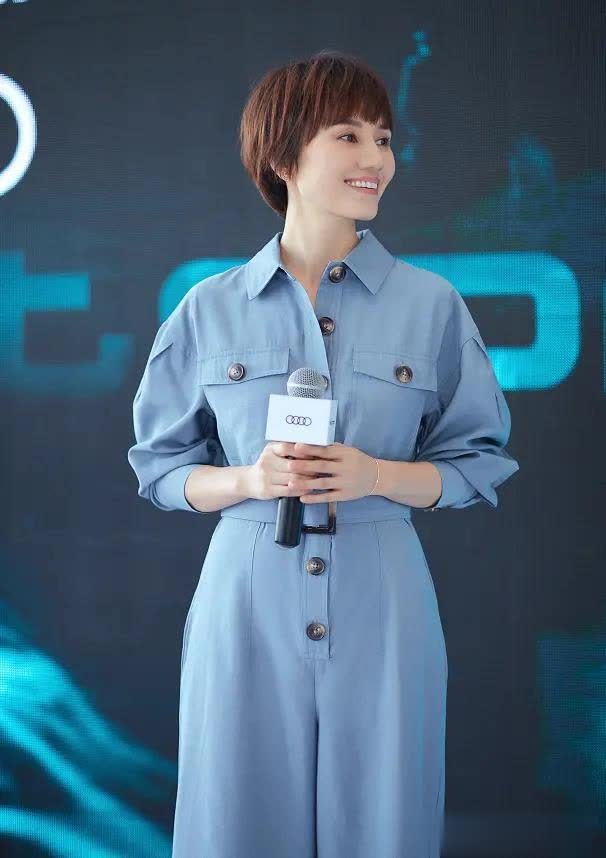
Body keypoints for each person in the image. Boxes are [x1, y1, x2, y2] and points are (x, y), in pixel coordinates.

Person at [127, 49, 520, 858]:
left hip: (385, 600)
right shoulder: (207, 308)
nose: (376, 157)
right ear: (283, 157)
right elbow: (160, 468)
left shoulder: (432, 304)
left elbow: (478, 460)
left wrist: (376, 475)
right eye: (349, 135)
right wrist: (248, 479)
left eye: (384, 138)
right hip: (245, 601)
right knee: (234, 826)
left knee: (385, 827)